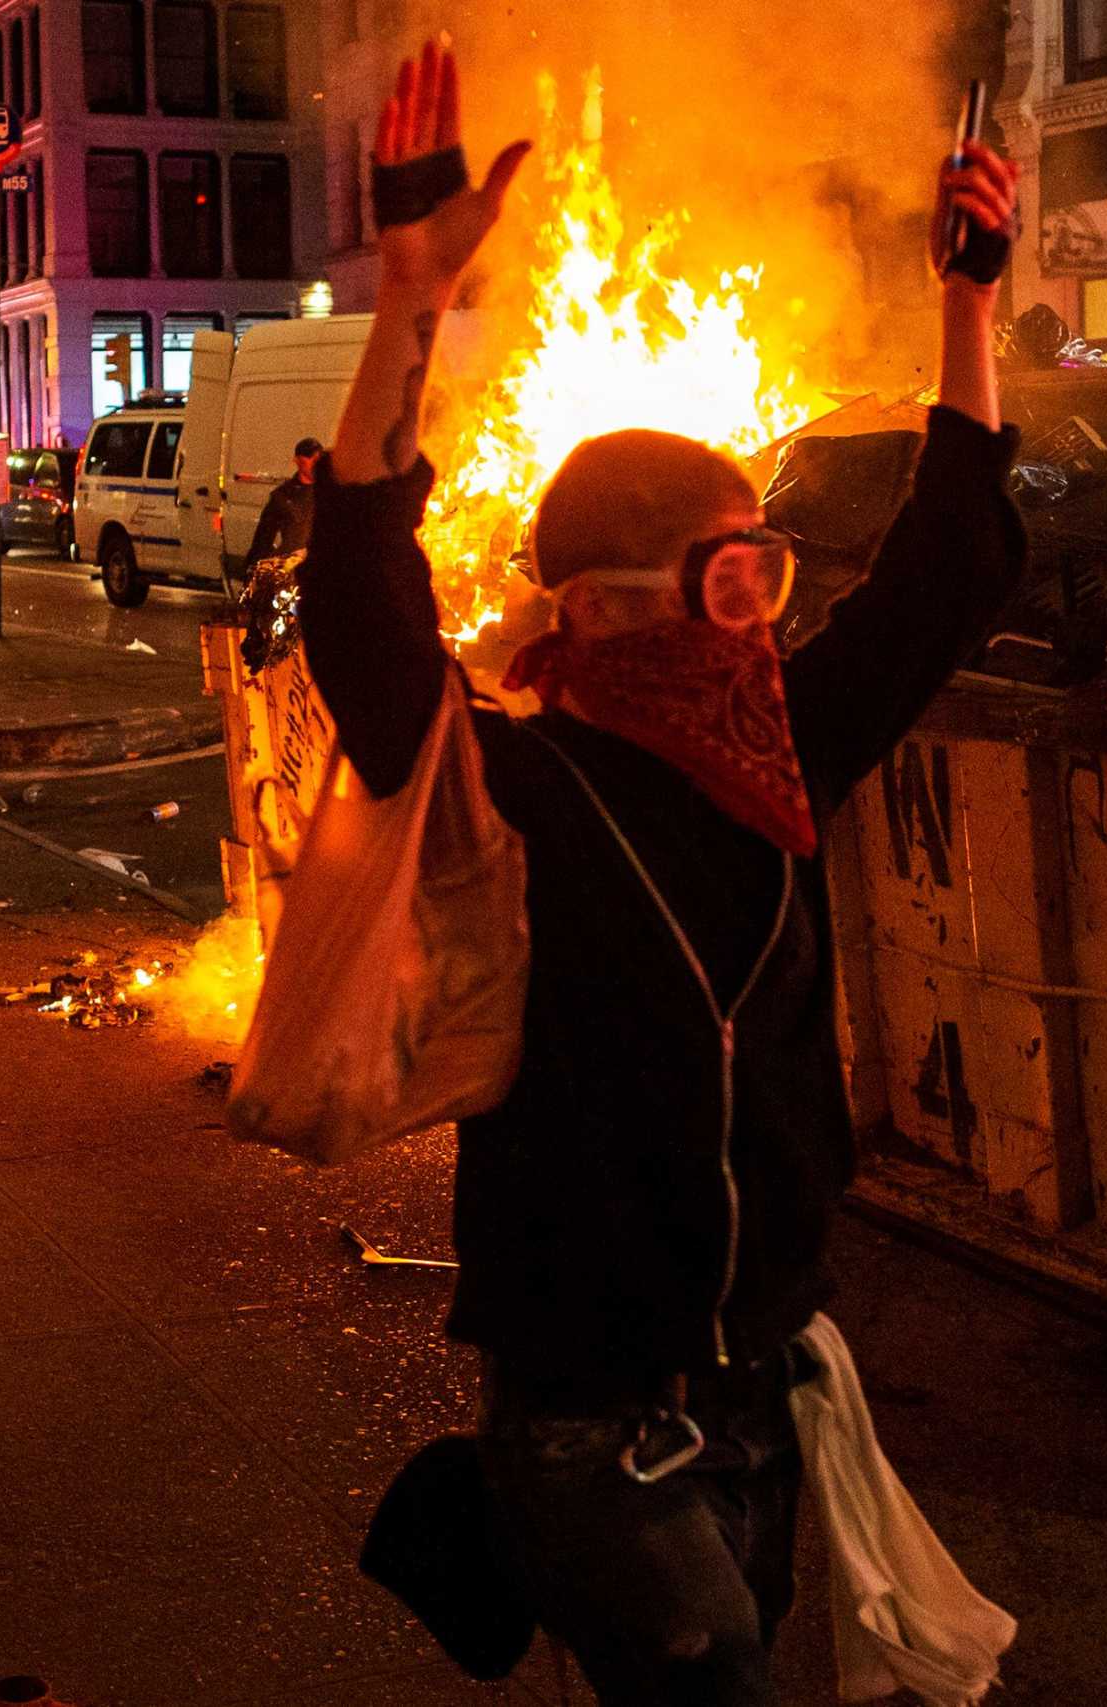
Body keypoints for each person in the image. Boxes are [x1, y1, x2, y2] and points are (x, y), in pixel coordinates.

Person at [296, 38, 1025, 1706]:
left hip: (767, 1383)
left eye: (769, 572)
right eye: (741, 575)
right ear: (628, 602)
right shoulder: (510, 786)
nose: (770, 610)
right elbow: (359, 596)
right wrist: (407, 307)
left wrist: (969, 304)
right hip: (583, 1422)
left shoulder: (779, 759)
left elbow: (949, 566)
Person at [243, 436, 323, 577]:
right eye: (309, 458)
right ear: (297, 460)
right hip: (292, 570)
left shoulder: (329, 493)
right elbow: (264, 536)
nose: (314, 464)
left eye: (318, 460)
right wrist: (254, 569)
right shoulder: (283, 496)